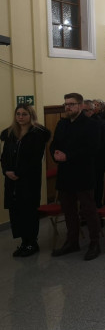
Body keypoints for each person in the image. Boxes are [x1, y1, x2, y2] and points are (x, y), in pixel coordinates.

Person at [50, 93, 102, 261]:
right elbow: (54, 144)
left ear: (80, 106)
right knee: (68, 210)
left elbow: (93, 148)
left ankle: (94, 243)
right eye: (66, 104)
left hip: (83, 172)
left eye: (71, 104)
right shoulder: (62, 123)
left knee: (88, 209)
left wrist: (68, 156)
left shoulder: (91, 124)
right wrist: (55, 154)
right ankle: (72, 242)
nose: (68, 107)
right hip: (65, 173)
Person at [1, 105, 51, 257]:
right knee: (16, 212)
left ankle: (32, 243)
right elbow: (4, 156)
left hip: (28, 180)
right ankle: (24, 242)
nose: (20, 117)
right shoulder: (10, 133)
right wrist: (6, 171)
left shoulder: (37, 134)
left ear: (31, 116)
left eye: (24, 114)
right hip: (11, 180)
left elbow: (34, 159)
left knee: (29, 211)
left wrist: (18, 173)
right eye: (18, 114)